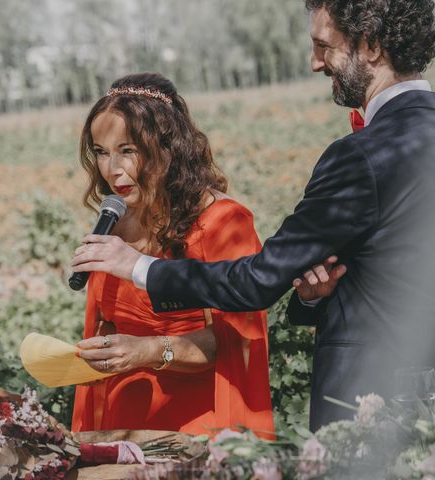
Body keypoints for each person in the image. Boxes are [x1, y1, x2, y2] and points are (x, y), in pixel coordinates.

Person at [71, 0, 435, 432]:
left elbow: (257, 281)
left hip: (378, 394)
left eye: (324, 46)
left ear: (372, 45)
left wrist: (135, 266)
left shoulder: (361, 154)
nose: (315, 62)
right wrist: (315, 297)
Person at [71, 72, 309, 438]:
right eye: (101, 152)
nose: (111, 169)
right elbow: (106, 322)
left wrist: (148, 350)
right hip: (123, 424)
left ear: (167, 147)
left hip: (197, 427)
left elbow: (232, 342)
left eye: (127, 151)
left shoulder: (222, 222)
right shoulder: (114, 222)